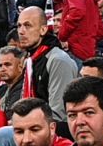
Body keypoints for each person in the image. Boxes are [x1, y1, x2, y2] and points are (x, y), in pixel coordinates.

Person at [16, 7, 78, 135]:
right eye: (19, 26)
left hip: (56, 131)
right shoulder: (31, 59)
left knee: (2, 136)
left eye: (28, 25)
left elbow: (58, 115)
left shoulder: (57, 60)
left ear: (43, 30)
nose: (21, 31)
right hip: (34, 125)